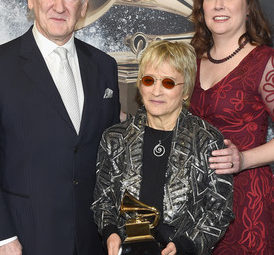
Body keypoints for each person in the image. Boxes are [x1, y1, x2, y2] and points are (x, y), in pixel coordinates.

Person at [0, 0, 120, 254]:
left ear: (84, 4)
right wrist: (2, 237)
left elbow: (111, 158)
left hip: (93, 240)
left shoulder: (104, 67)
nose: (59, 6)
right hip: (25, 238)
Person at [188, 0, 274, 254]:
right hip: (195, 203)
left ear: (248, 6)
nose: (218, 5)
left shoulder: (266, 62)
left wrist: (242, 159)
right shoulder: (192, 59)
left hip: (245, 203)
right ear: (201, 6)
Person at [91, 40, 234, 255]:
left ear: (185, 90)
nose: (156, 91)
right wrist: (110, 232)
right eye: (149, 80)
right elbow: (103, 200)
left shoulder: (207, 140)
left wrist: (185, 246)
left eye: (168, 83)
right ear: (139, 85)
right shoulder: (115, 138)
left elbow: (219, 209)